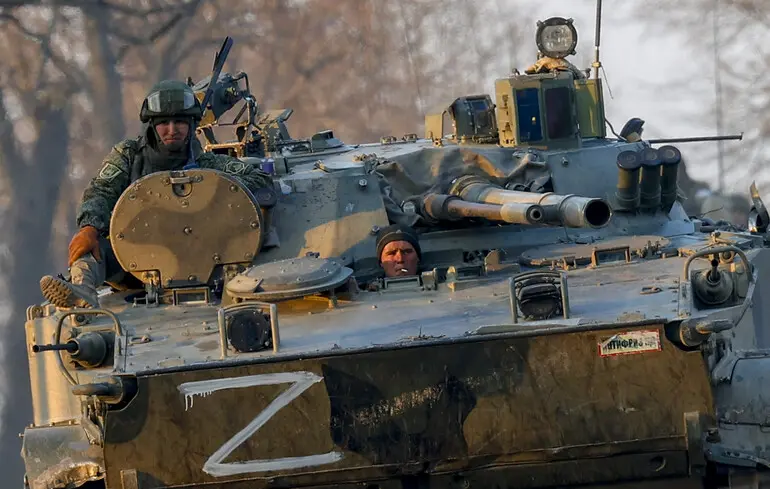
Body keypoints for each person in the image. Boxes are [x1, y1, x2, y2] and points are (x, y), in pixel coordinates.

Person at [39, 80, 274, 308]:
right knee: (90, 246)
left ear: (191, 124)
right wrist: (89, 226)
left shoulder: (208, 164)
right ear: (151, 125)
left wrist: (216, 188)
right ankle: (82, 290)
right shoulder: (129, 156)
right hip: (136, 265)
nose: (172, 130)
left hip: (204, 261)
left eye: (180, 122)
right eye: (164, 123)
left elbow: (259, 179)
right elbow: (102, 190)